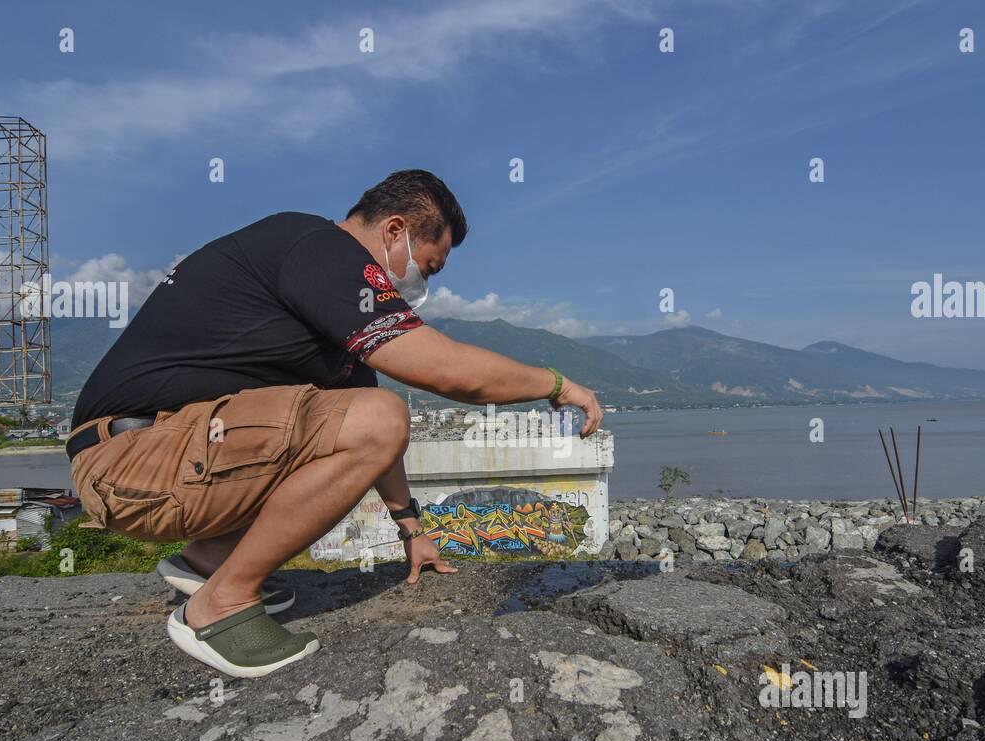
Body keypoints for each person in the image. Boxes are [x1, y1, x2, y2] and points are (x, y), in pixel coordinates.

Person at [66, 169, 603, 678]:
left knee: (368, 413)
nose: (422, 284)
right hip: (134, 459)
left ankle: (210, 559)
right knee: (382, 414)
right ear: (396, 230)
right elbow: (444, 374)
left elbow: (364, 431)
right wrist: (557, 383)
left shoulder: (326, 317)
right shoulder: (319, 248)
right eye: (429, 266)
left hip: (159, 457)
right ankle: (219, 606)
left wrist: (411, 529)